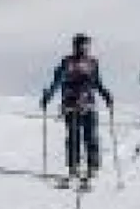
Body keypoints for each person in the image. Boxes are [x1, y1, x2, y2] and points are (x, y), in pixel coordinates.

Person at [40, 34, 114, 183]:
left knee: (91, 136)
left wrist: (106, 95)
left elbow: (97, 82)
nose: (84, 48)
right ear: (75, 46)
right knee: (73, 138)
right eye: (81, 45)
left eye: (86, 45)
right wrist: (49, 95)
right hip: (71, 105)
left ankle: (92, 167)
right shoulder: (67, 62)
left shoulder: (93, 62)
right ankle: (74, 167)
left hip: (89, 104)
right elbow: (58, 81)